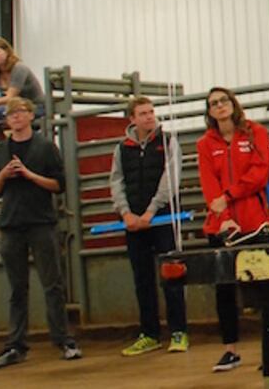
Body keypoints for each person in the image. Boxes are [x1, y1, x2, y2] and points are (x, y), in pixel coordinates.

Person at [196, 87, 269, 373]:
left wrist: (230, 195)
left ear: (233, 104)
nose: (220, 106)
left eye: (224, 101)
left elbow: (260, 174)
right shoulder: (205, 144)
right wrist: (219, 213)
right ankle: (230, 350)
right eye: (214, 103)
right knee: (224, 287)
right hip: (221, 224)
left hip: (255, 220)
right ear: (209, 111)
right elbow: (208, 181)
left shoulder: (255, 132)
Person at [0, 97, 80, 367]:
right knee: (17, 288)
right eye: (9, 114)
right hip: (11, 225)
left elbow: (58, 185)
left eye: (19, 112)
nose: (14, 117)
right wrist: (4, 175)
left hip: (41, 223)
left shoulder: (45, 147)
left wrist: (29, 175)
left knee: (52, 284)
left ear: (30, 116)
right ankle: (15, 345)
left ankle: (63, 340)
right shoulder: (1, 150)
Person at [109, 95, 188, 355]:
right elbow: (117, 181)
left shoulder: (168, 142)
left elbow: (171, 177)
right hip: (133, 223)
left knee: (172, 275)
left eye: (151, 111)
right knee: (142, 279)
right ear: (132, 118)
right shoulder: (122, 149)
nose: (149, 116)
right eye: (143, 113)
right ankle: (149, 334)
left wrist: (152, 210)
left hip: (163, 218)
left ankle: (178, 332)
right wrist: (126, 214)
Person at [0, 38, 45, 143]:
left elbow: (10, 97)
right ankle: (4, 143)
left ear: (7, 52)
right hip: (13, 106)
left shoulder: (19, 68)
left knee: (1, 111)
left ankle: (19, 140)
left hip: (34, 106)